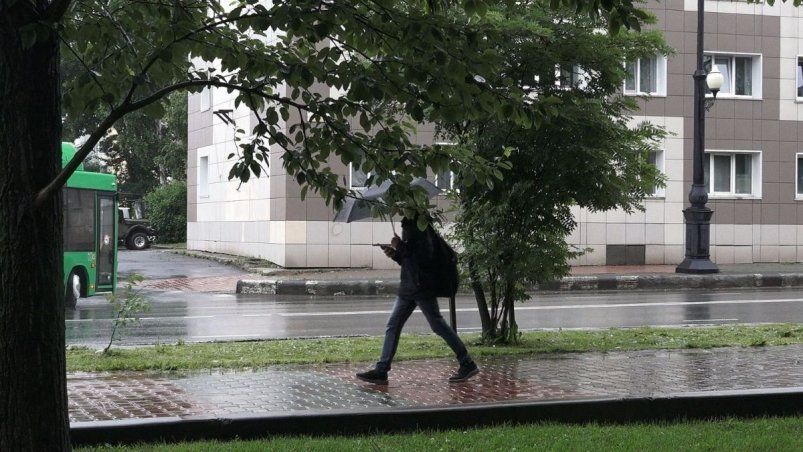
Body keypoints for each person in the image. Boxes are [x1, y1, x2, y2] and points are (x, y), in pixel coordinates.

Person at [356, 215, 479, 385]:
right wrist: (395, 254)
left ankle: (467, 363)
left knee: (437, 325)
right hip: (409, 286)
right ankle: (382, 370)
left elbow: (425, 258)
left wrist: (400, 246)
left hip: (421, 287)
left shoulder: (420, 227)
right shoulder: (410, 225)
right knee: (393, 325)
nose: (397, 208)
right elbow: (410, 261)